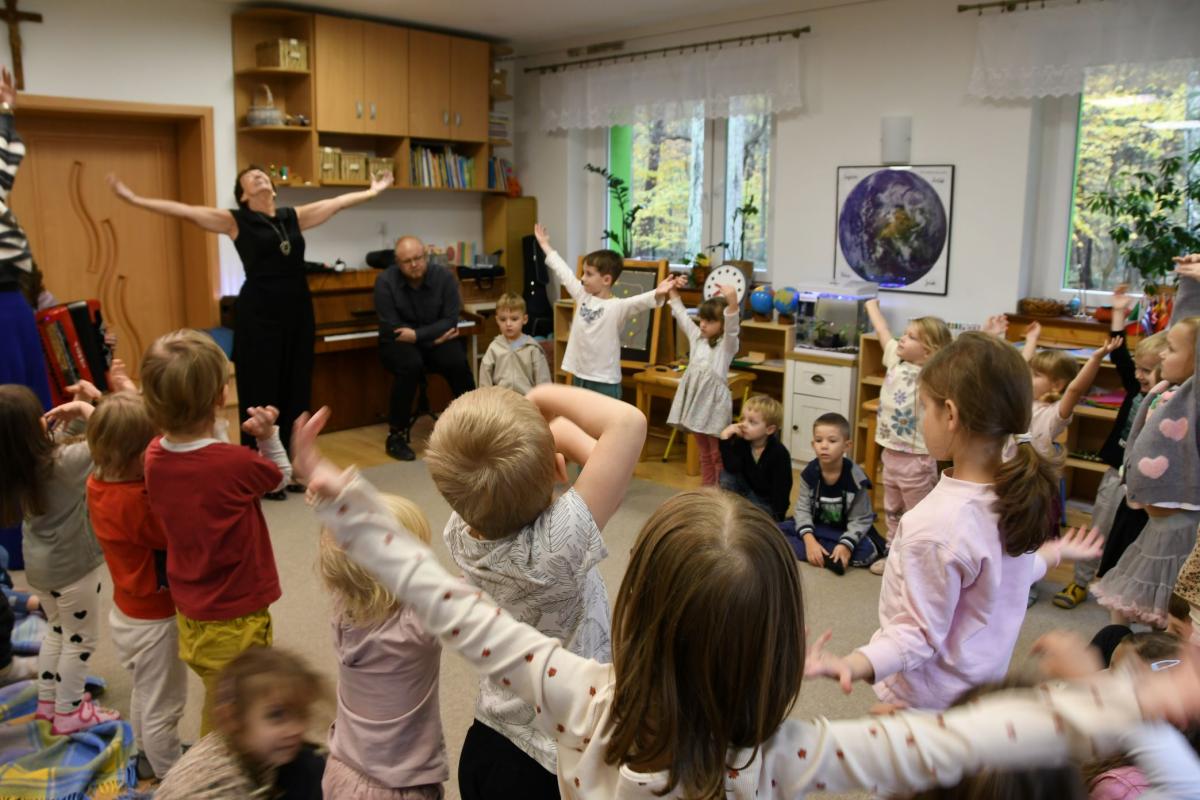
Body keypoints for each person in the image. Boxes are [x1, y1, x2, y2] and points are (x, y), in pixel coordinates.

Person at [293, 409, 1200, 800]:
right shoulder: (790, 754)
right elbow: (952, 741)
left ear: (634, 612)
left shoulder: (578, 691)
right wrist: (1119, 701)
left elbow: (460, 611)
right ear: (776, 647)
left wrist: (354, 509)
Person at [807, 333, 1103, 710]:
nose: (922, 418)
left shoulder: (936, 526)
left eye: (924, 407)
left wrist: (852, 664)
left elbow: (916, 636)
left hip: (928, 698)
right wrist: (1053, 553)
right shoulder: (1013, 493)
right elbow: (1006, 576)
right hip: (977, 692)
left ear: (950, 414)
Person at [425, 384, 644, 799]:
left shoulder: (459, 530)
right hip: (556, 762)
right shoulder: (556, 548)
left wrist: (544, 448)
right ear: (555, 474)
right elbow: (628, 423)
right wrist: (541, 397)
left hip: (489, 737)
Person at [107, 164, 393, 463]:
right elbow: (187, 212)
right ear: (243, 195)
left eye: (262, 174)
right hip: (259, 314)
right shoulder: (236, 221)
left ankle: (294, 461)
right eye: (251, 176)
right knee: (261, 388)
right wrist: (135, 199)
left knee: (297, 386)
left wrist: (373, 191)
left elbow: (335, 204)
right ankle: (258, 463)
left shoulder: (291, 217)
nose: (259, 176)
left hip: (298, 310)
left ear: (272, 188)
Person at [140, 329, 291, 734]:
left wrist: (221, 434)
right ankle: (215, 769)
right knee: (232, 714)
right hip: (235, 612)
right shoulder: (234, 464)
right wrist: (269, 437)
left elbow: (204, 460)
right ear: (221, 397)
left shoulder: (154, 455)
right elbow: (279, 477)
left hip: (192, 605)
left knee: (223, 694)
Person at [0, 384, 119, 733]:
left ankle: (50, 702)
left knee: (57, 631)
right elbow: (112, 439)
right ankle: (69, 711)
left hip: (42, 568)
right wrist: (87, 408)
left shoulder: (16, 465)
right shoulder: (63, 464)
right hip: (73, 569)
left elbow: (65, 444)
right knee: (80, 640)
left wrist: (79, 405)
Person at [1093, 256, 1200, 629]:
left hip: (1179, 526)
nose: (1163, 355)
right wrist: (1190, 283)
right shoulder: (1170, 388)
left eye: (1172, 351)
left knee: (1170, 608)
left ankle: (1161, 651)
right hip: (1157, 522)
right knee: (1128, 596)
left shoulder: (1194, 396)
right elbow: (1186, 325)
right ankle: (1117, 642)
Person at [85, 391, 187, 780]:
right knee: (165, 706)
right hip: (155, 621)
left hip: (128, 612)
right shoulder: (135, 503)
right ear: (137, 456)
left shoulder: (98, 483)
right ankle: (172, 775)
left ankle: (147, 754)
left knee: (146, 691)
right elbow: (172, 532)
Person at [318, 497, 447, 799]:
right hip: (397, 786)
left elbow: (347, 563)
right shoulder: (417, 628)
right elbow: (470, 592)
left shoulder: (344, 610)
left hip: (341, 771)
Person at [1054, 288, 1168, 609]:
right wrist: (1118, 312)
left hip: (1146, 483)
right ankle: (1080, 581)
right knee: (1100, 528)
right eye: (1138, 368)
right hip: (1116, 475)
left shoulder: (1170, 401)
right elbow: (1119, 354)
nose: (1139, 374)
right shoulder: (1134, 387)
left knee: (1133, 538)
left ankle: (1120, 588)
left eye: (1147, 370)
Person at [154, 646, 326, 800]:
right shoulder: (219, 786)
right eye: (276, 715)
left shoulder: (244, 742)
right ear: (233, 719)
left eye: (302, 714)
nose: (295, 729)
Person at [534, 223, 682, 398]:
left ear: (606, 280)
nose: (582, 278)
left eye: (589, 274)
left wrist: (659, 290)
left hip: (604, 381)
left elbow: (640, 301)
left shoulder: (617, 307)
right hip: (579, 375)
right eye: (583, 272)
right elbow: (563, 272)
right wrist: (545, 245)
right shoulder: (582, 296)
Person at [864, 297, 952, 575]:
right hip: (890, 454)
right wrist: (871, 308)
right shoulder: (895, 360)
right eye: (905, 333)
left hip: (917, 459)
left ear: (929, 352)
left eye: (911, 337)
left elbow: (958, 359)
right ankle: (894, 553)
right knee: (892, 510)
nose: (902, 339)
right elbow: (883, 332)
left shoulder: (932, 375)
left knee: (918, 515)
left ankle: (920, 560)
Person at [374, 235, 476, 461]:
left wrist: (419, 336)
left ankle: (476, 425)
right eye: (407, 261)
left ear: (426, 256)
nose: (414, 264)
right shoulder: (385, 282)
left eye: (418, 258)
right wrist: (432, 339)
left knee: (456, 360)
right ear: (397, 263)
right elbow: (394, 328)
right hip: (398, 344)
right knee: (410, 363)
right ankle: (396, 435)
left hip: (429, 340)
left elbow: (450, 319)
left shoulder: (445, 277)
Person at [0, 67, 51, 411]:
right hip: (5, 305)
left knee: (27, 405)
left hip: (10, 299)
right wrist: (5, 111)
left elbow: (5, 166)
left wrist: (6, 111)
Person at [786, 412, 883, 573]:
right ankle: (825, 553)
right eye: (819, 440)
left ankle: (828, 553)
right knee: (778, 532)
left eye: (832, 441)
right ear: (813, 444)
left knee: (867, 549)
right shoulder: (809, 474)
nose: (824, 446)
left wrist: (846, 545)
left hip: (844, 531)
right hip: (817, 527)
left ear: (847, 445)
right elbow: (802, 510)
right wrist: (809, 541)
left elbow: (861, 519)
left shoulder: (856, 478)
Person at [665, 283, 741, 486]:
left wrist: (733, 304)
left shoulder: (727, 346)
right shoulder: (697, 338)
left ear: (722, 324)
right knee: (704, 453)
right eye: (702, 319)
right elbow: (682, 316)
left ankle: (720, 490)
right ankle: (707, 489)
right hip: (696, 403)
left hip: (714, 405)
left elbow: (732, 330)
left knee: (717, 453)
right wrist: (672, 292)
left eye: (710, 321)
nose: (703, 325)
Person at [717, 395, 793, 522]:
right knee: (727, 474)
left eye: (752, 422)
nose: (743, 424)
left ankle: (743, 515)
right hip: (744, 496)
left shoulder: (779, 453)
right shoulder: (741, 442)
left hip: (765, 502)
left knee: (753, 520)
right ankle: (729, 510)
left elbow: (782, 489)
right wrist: (725, 439)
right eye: (743, 419)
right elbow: (732, 468)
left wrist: (778, 518)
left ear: (769, 429)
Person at [478, 292, 551, 395]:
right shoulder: (494, 348)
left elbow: (543, 382)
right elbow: (485, 380)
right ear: (497, 320)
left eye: (514, 319)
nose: (508, 324)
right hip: (501, 401)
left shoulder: (532, 348)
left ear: (524, 319)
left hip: (527, 400)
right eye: (503, 319)